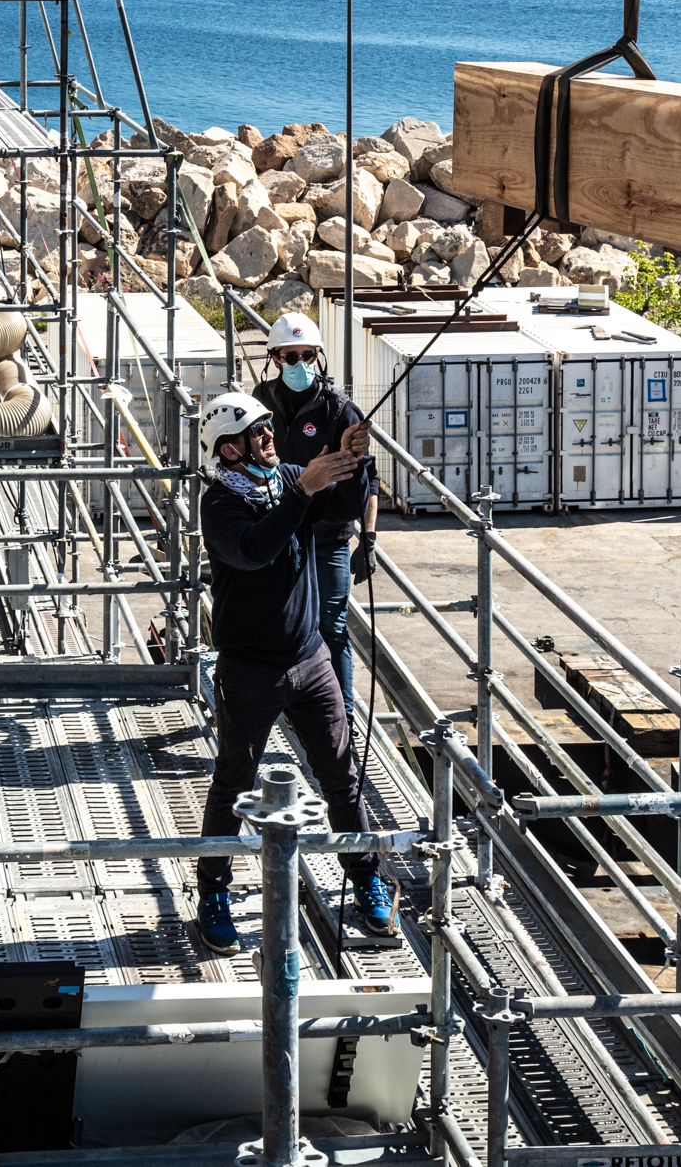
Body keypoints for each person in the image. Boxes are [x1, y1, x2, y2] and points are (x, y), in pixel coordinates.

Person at [192, 390, 397, 954]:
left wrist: (355, 463)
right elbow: (254, 550)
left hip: (310, 660)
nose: (268, 437)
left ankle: (366, 877)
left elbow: (342, 507)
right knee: (235, 778)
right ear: (228, 451)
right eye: (256, 433)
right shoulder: (221, 505)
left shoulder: (285, 476)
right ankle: (212, 889)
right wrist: (302, 490)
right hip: (251, 669)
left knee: (341, 774)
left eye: (266, 428)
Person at [250, 313, 378, 725]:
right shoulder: (258, 401)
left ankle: (341, 716)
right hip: (278, 534)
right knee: (278, 625)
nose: (300, 364)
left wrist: (369, 540)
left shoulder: (339, 409)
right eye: (291, 356)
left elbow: (367, 480)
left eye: (308, 355)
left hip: (327, 539)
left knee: (332, 627)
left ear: (319, 357)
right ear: (274, 358)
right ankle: (287, 708)